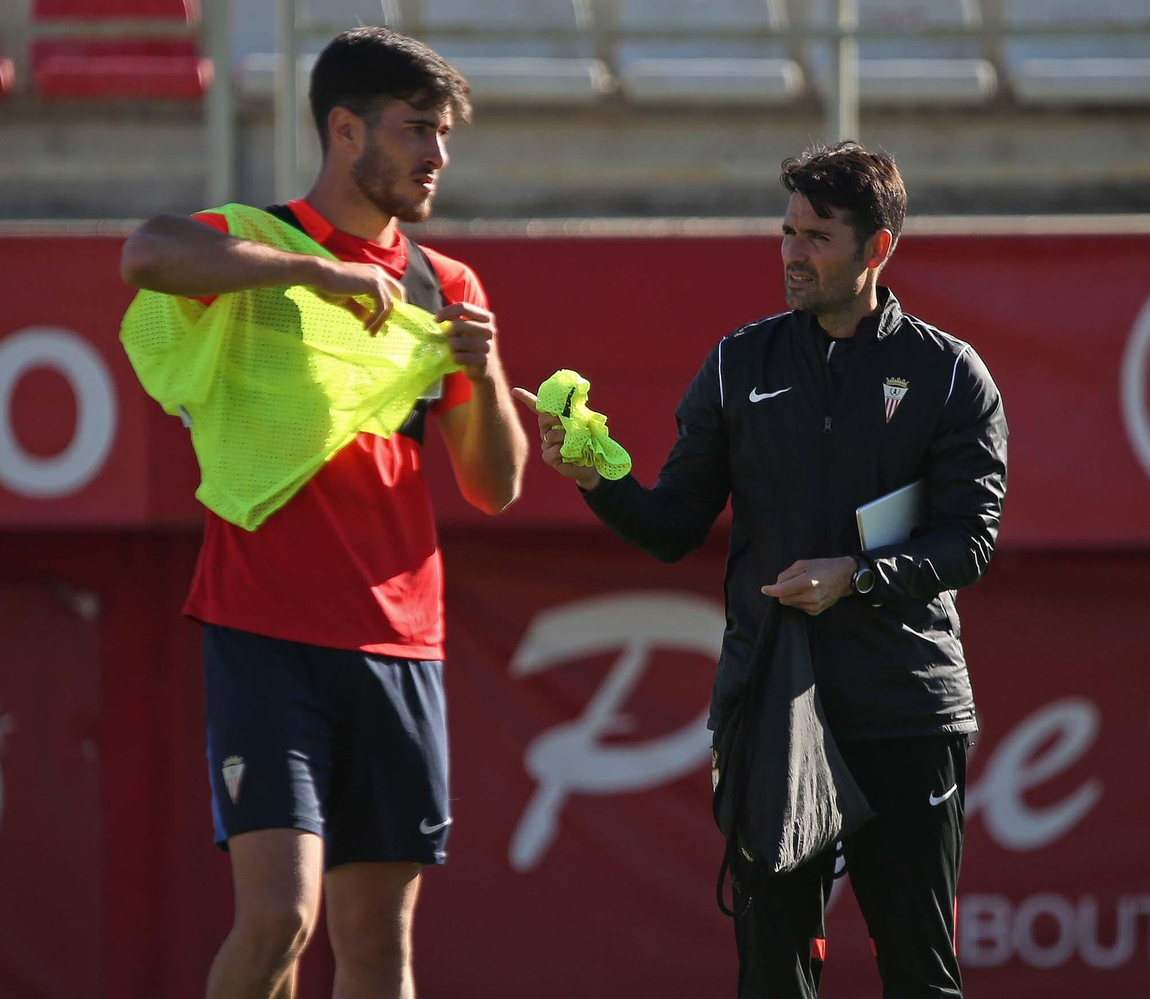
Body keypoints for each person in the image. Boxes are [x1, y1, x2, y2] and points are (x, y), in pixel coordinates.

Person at [518, 141, 1008, 998]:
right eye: (786, 231)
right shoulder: (738, 363)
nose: (792, 252)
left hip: (905, 702)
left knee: (920, 973)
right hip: (774, 703)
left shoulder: (948, 373)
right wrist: (596, 479)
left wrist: (853, 576)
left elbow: (969, 541)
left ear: (877, 248)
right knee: (772, 974)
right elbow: (673, 525)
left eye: (817, 236)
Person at [119, 27, 527, 999]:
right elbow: (147, 255)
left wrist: (487, 367)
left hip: (399, 644)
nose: (437, 155)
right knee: (278, 921)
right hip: (265, 631)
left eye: (444, 135)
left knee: (379, 949)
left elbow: (494, 486)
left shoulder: (449, 286)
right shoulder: (261, 236)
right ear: (345, 130)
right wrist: (317, 273)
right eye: (417, 130)